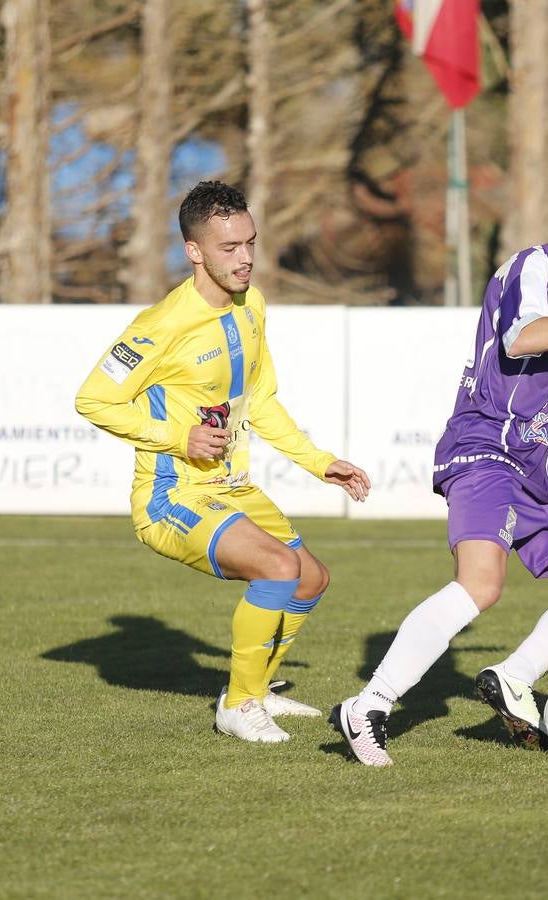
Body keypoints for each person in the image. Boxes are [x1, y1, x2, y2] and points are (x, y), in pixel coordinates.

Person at [330, 177, 548, 766]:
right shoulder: (531, 270)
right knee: (481, 582)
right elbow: (519, 340)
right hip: (484, 450)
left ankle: (513, 676)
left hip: (530, 473)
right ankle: (368, 706)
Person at [75, 180, 371, 744]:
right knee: (279, 569)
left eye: (251, 243)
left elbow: (260, 400)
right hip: (173, 496)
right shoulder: (159, 324)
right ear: (194, 252)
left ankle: (254, 691)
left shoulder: (251, 305)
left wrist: (319, 462)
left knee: (311, 579)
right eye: (230, 248)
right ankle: (237, 706)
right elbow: (93, 399)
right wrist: (175, 437)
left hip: (232, 486)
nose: (246, 258)